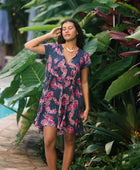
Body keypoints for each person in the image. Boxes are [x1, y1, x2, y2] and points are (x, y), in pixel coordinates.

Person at [24, 18, 91, 170]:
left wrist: (87, 107)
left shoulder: (83, 56)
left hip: (73, 102)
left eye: (70, 28)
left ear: (77, 31)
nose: (66, 30)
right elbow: (29, 45)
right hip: (51, 101)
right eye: (64, 28)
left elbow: (84, 82)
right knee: (48, 141)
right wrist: (48, 36)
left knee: (69, 140)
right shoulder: (53, 48)